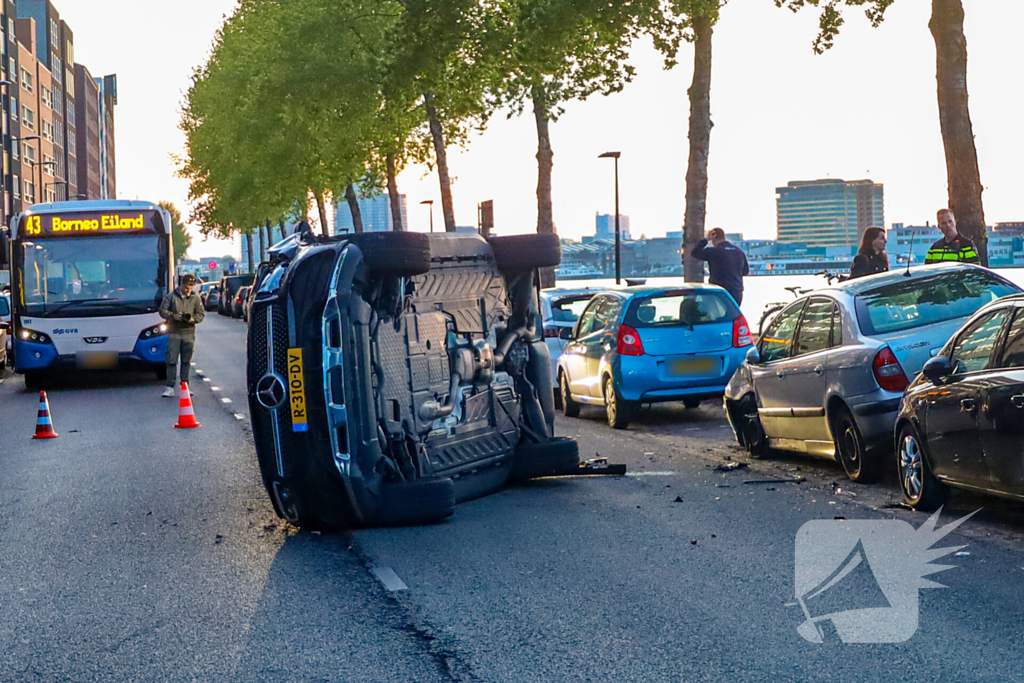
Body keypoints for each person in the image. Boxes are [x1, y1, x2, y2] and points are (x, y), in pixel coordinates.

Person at [159, 273, 206, 397]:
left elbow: (201, 315)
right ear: (181, 285)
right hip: (174, 331)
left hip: (188, 332)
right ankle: (169, 386)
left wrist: (192, 319)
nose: (188, 290)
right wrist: (173, 316)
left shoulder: (195, 299)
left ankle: (185, 385)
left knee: (186, 360)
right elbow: (162, 311)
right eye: (186, 287)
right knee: (171, 359)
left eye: (191, 288)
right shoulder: (170, 297)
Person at [690, 228, 749, 305]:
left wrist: (706, 239)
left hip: (719, 292)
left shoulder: (714, 252)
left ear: (713, 237)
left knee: (713, 315)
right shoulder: (739, 252)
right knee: (733, 316)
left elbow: (695, 252)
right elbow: (745, 271)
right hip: (736, 291)